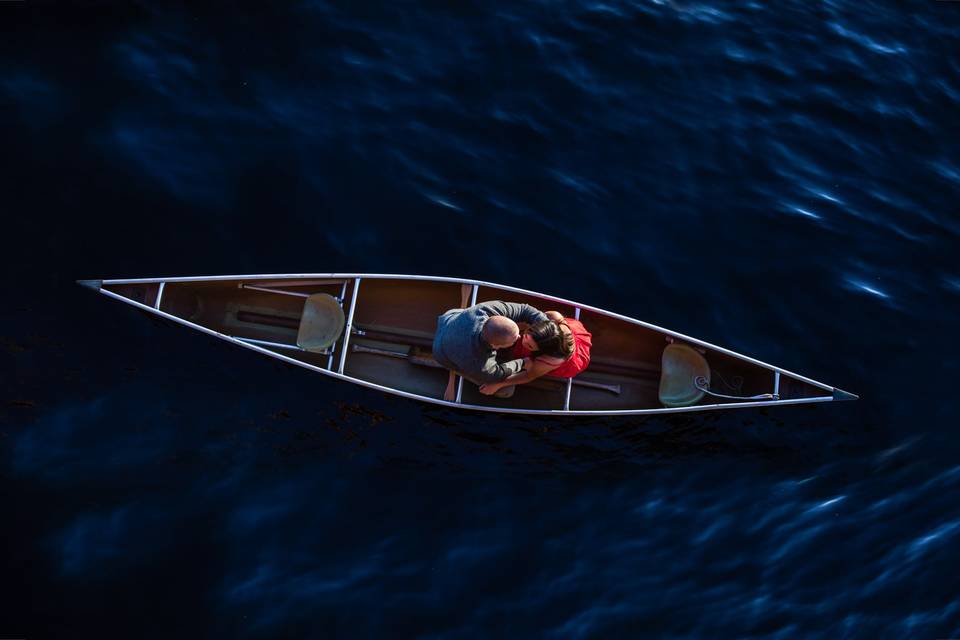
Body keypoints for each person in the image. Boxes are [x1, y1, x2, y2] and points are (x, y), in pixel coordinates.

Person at [432, 301, 548, 401]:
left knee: (519, 323)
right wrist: (522, 362)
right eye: (514, 339)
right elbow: (498, 374)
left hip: (448, 319)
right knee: (507, 390)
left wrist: (548, 327)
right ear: (494, 345)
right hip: (441, 352)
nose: (519, 338)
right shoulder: (480, 364)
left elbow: (524, 310)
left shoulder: (483, 310)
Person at [478, 311, 593, 396]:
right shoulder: (551, 318)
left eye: (529, 346)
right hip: (567, 335)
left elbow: (528, 376)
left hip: (571, 361)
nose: (521, 340)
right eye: (526, 335)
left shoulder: (547, 360)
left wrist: (498, 384)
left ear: (541, 351)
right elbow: (528, 323)